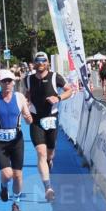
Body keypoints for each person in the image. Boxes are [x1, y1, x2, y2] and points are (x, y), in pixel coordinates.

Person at [0, 69, 33, 211]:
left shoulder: (20, 98)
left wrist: (29, 119)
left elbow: (27, 117)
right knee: (7, 174)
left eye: (9, 81)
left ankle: (16, 203)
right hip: (0, 141)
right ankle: (4, 186)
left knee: (18, 175)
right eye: (4, 81)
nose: (7, 84)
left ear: (14, 82)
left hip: (17, 140)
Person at [25, 51, 73, 202]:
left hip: (51, 118)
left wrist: (58, 97)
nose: (40, 64)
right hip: (36, 119)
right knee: (41, 152)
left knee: (49, 154)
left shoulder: (55, 76)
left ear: (47, 63)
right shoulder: (27, 79)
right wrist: (26, 107)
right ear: (33, 63)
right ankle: (48, 188)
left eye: (43, 61)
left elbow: (70, 90)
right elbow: (26, 95)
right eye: (37, 61)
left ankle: (49, 162)